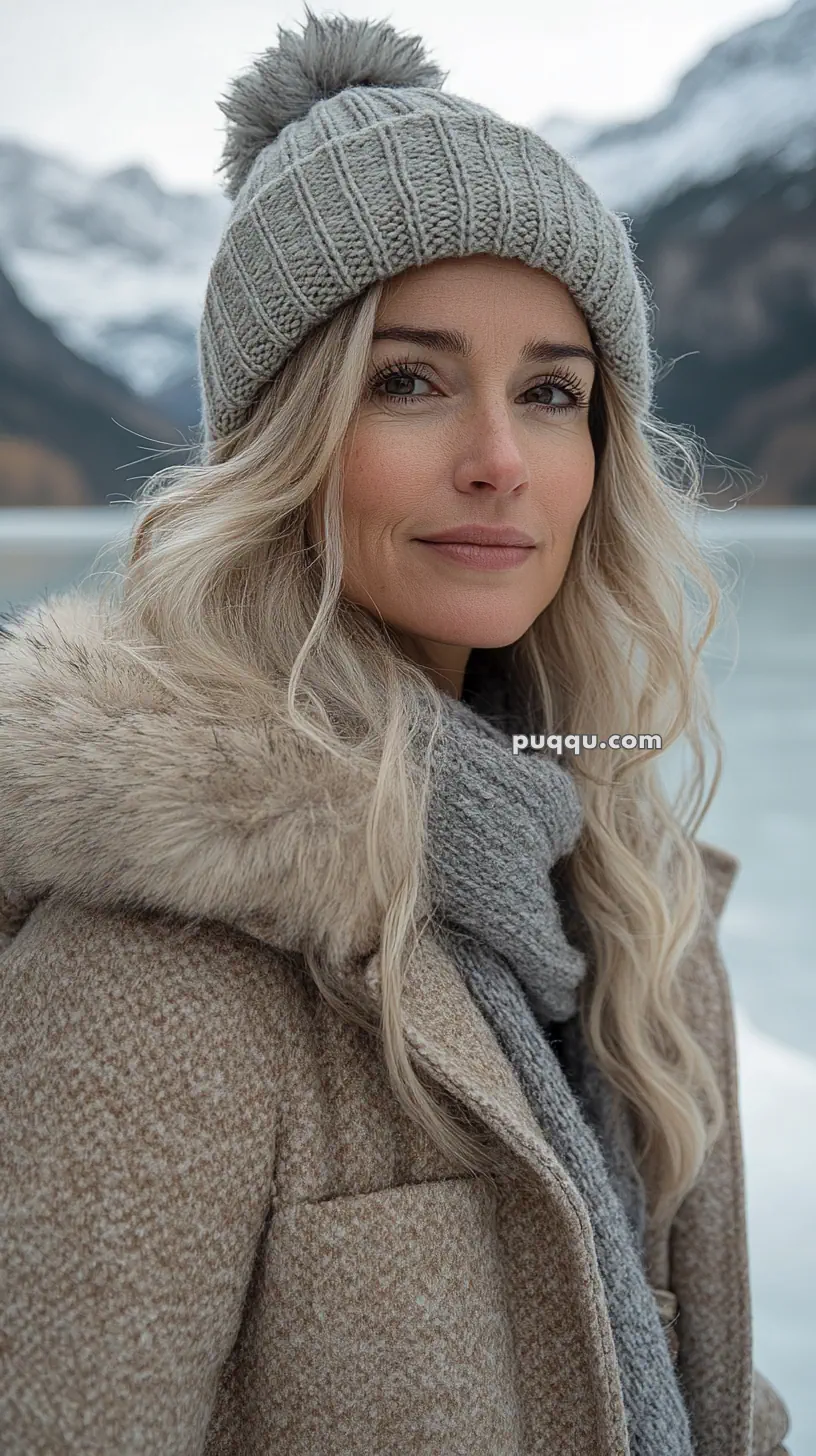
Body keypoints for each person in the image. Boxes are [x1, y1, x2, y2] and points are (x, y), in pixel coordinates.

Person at [0, 10, 794, 1455]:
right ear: (284, 443)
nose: (498, 459)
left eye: (552, 392)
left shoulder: (623, 908)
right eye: (409, 380)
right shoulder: (143, 977)